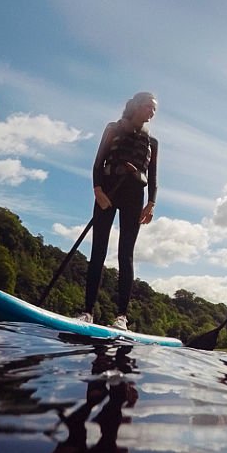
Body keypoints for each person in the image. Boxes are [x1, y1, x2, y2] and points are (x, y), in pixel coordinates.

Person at [76, 92, 158, 330]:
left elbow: (152, 177)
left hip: (134, 196)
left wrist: (151, 203)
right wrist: (98, 190)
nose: (151, 112)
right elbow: (98, 162)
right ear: (135, 106)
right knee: (98, 250)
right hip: (109, 192)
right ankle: (87, 311)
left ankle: (121, 316)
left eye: (154, 109)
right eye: (147, 107)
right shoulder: (113, 128)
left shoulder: (152, 142)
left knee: (126, 255)